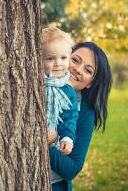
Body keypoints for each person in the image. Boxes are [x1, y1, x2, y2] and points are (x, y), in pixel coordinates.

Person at [48, 42, 113, 191]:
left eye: (88, 70)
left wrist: (47, 144)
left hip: (53, 185)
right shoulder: (36, 80)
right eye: (75, 60)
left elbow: (72, 169)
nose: (77, 69)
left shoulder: (85, 111)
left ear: (91, 83)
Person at [41, 26, 79, 155]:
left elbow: (70, 117)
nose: (58, 63)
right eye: (50, 58)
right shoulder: (35, 84)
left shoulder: (68, 91)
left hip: (53, 144)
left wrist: (67, 138)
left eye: (63, 58)